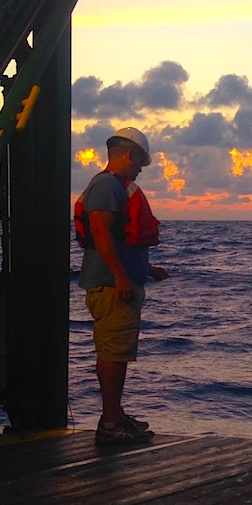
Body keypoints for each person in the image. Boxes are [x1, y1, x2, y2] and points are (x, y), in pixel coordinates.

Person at [75, 126, 168, 444]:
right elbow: (100, 232)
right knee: (113, 352)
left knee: (118, 351)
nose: (141, 169)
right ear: (129, 154)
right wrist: (121, 277)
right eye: (140, 161)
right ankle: (111, 423)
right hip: (112, 288)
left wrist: (147, 269)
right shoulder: (106, 186)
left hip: (118, 284)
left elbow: (115, 239)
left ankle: (115, 415)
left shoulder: (113, 186)